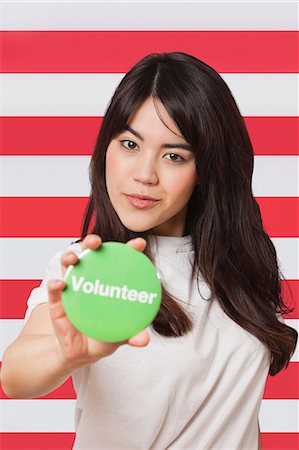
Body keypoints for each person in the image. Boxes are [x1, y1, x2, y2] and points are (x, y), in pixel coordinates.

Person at [1, 52, 297, 450]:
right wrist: (65, 352)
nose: (144, 173)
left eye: (174, 155)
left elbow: (236, 419)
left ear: (207, 168)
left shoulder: (239, 267)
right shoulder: (91, 268)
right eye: (129, 144)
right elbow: (17, 374)